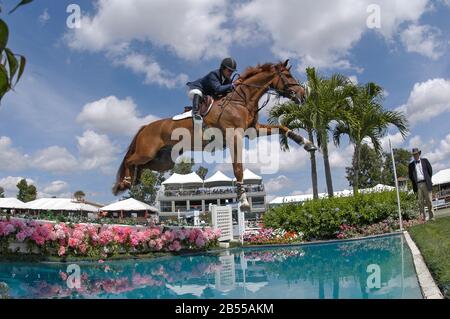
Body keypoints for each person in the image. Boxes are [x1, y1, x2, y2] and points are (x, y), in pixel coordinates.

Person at [186, 57, 240, 127]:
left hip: (207, 94)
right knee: (198, 92)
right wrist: (233, 85)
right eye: (229, 70)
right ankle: (196, 114)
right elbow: (218, 89)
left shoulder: (228, 80)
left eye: (232, 71)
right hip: (197, 88)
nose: (231, 73)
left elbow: (228, 91)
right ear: (223, 68)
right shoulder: (214, 74)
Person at [408, 148, 435, 221]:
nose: (415, 155)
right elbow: (410, 176)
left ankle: (432, 217)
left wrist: (428, 179)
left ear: (419, 154)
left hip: (426, 183)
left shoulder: (425, 161)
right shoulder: (410, 165)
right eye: (414, 154)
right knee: (420, 203)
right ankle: (423, 219)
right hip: (418, 185)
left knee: (429, 201)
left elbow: (430, 171)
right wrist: (415, 181)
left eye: (416, 154)